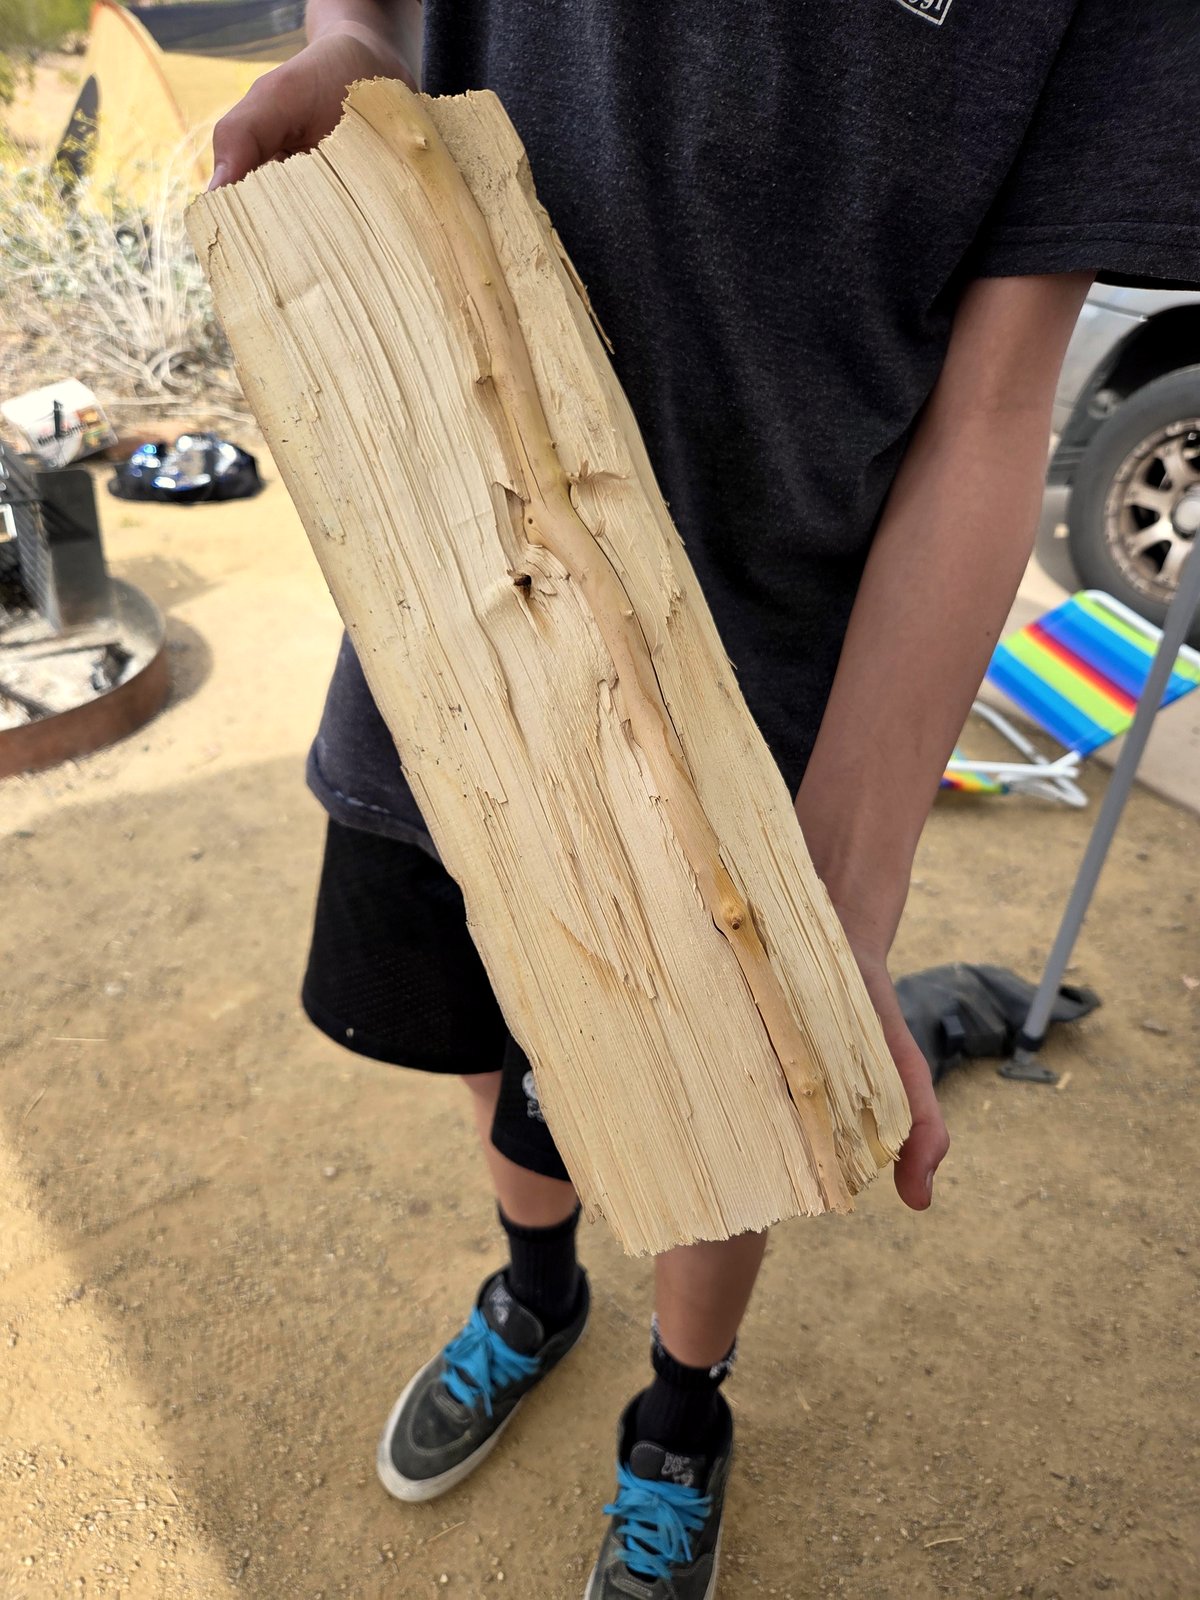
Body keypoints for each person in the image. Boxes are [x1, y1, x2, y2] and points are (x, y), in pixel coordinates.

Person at [210, 3, 1200, 1593]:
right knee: (493, 1031)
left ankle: (682, 1412)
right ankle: (535, 1288)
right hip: (447, 574)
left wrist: (848, 900)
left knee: (731, 1099)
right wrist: (358, 46)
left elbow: (1001, 400)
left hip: (770, 654)